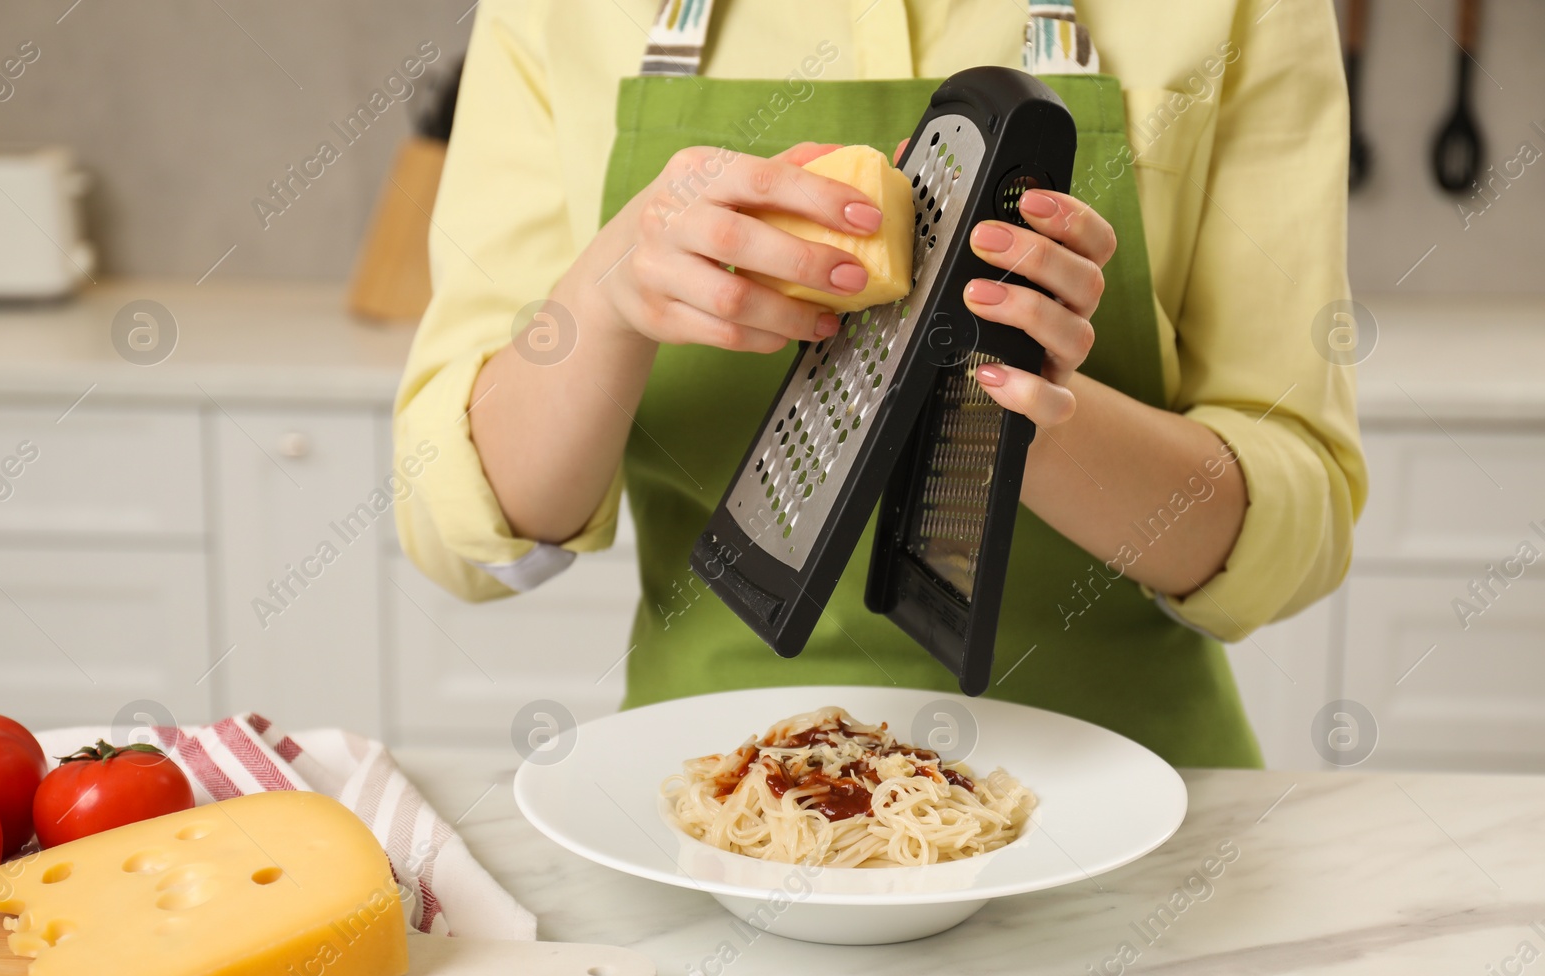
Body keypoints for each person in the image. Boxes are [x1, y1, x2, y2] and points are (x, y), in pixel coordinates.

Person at [393, 0, 1367, 768]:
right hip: (715, 801)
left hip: (1127, 798)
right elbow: (463, 533)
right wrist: (608, 297)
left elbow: (1295, 520)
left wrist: (1009, 405)